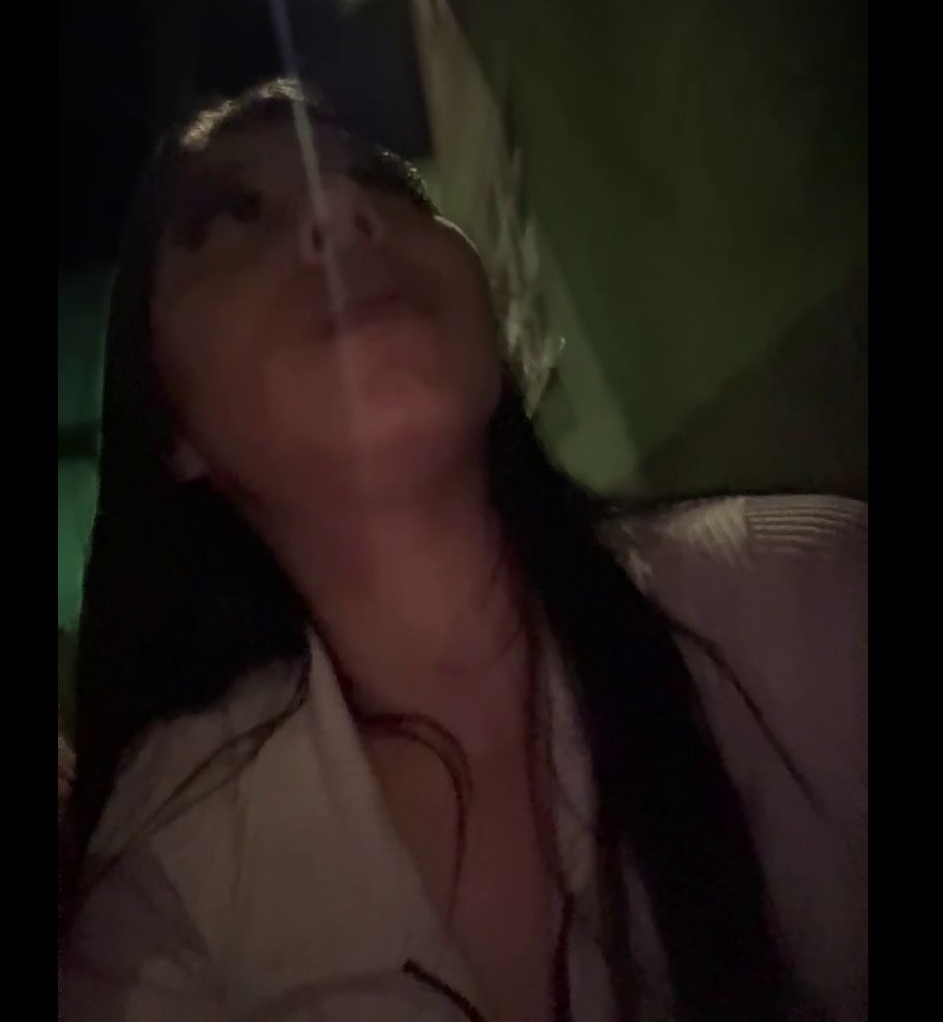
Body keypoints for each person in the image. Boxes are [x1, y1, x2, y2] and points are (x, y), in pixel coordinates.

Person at [60, 78, 866, 1022]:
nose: (341, 207)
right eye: (229, 221)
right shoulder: (172, 878)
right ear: (170, 428)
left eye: (385, 179)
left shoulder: (815, 603)